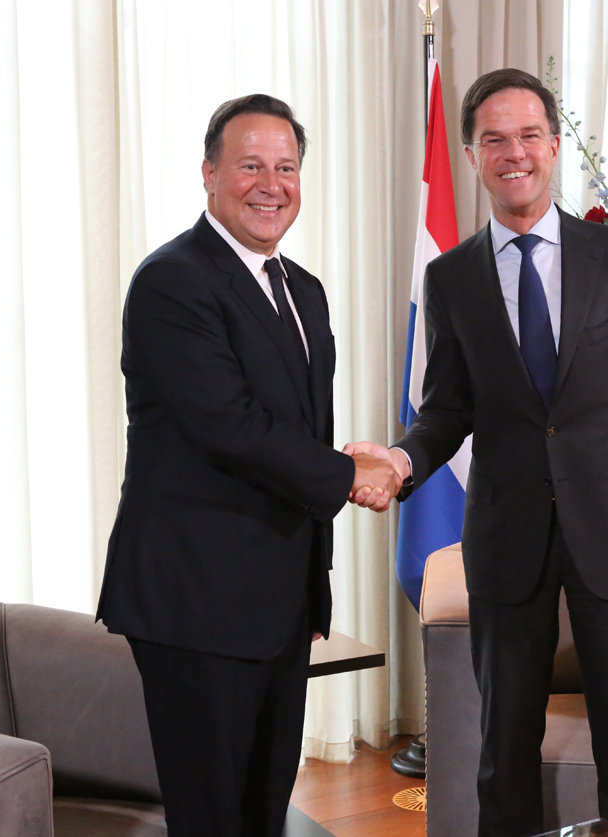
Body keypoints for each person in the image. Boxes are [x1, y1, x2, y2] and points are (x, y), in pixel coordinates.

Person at [348, 68, 608, 837]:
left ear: (554, 145)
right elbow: (446, 408)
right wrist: (401, 461)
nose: (515, 153)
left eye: (529, 135)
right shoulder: (450, 277)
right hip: (505, 537)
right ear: (472, 155)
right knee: (502, 748)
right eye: (495, 139)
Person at [96, 94, 401, 837]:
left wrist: (345, 467)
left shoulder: (303, 288)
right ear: (208, 174)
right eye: (250, 166)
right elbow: (228, 428)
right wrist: (348, 474)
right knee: (211, 816)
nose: (271, 184)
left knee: (263, 808)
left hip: (275, 598)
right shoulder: (172, 281)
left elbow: (294, 429)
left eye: (287, 167)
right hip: (196, 599)